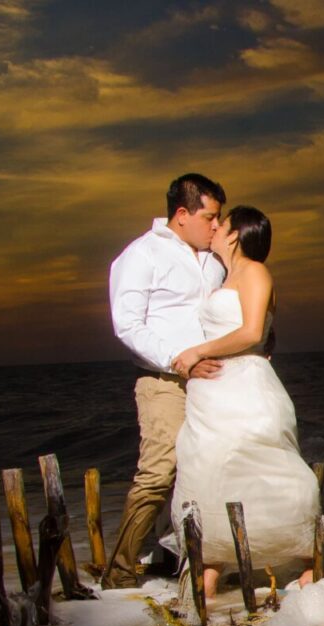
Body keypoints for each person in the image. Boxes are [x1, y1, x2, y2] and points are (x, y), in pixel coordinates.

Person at [169, 205, 321, 595]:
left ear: (236, 234)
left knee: (266, 466)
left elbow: (253, 331)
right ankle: (211, 567)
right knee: (209, 469)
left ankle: (310, 559)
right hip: (212, 394)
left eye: (221, 223)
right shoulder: (225, 277)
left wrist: (197, 351)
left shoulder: (254, 271)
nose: (214, 227)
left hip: (244, 387)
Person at [103, 173, 228, 589]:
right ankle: (119, 573)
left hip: (211, 380)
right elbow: (127, 326)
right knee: (158, 473)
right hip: (163, 381)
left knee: (206, 471)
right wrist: (179, 362)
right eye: (209, 217)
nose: (216, 226)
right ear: (181, 214)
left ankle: (184, 563)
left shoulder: (212, 257)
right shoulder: (141, 255)